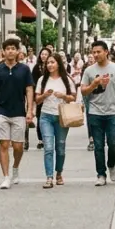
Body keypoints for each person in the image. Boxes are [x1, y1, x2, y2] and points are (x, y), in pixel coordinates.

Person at [81, 40, 115, 186]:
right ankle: (101, 174)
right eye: (93, 52)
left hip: (113, 112)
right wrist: (94, 84)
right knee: (98, 145)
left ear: (106, 52)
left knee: (113, 143)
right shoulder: (89, 71)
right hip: (95, 112)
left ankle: (111, 165)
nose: (96, 54)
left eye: (98, 52)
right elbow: (83, 91)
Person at [0, 39, 35, 190]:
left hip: (19, 111)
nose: (10, 51)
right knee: (4, 145)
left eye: (13, 48)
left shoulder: (24, 69)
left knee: (18, 146)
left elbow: (29, 89)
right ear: (3, 51)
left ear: (18, 51)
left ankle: (15, 167)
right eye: (8, 49)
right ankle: (6, 177)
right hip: (1, 111)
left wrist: (29, 111)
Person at [36, 52, 75, 188]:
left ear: (58, 63)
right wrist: (45, 95)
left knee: (60, 147)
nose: (50, 65)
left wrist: (64, 96)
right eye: (48, 63)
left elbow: (73, 97)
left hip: (62, 116)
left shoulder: (66, 80)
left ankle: (59, 173)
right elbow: (37, 99)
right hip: (46, 116)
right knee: (48, 147)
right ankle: (49, 177)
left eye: (52, 62)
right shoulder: (42, 80)